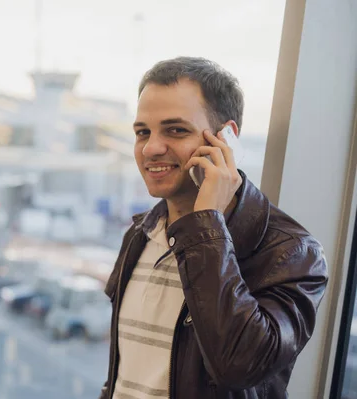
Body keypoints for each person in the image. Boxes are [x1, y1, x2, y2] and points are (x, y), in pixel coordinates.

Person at [99, 57, 328, 399]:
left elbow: (239, 366)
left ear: (226, 139)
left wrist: (206, 224)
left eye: (176, 130)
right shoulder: (141, 234)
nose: (151, 148)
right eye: (142, 132)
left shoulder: (293, 253)